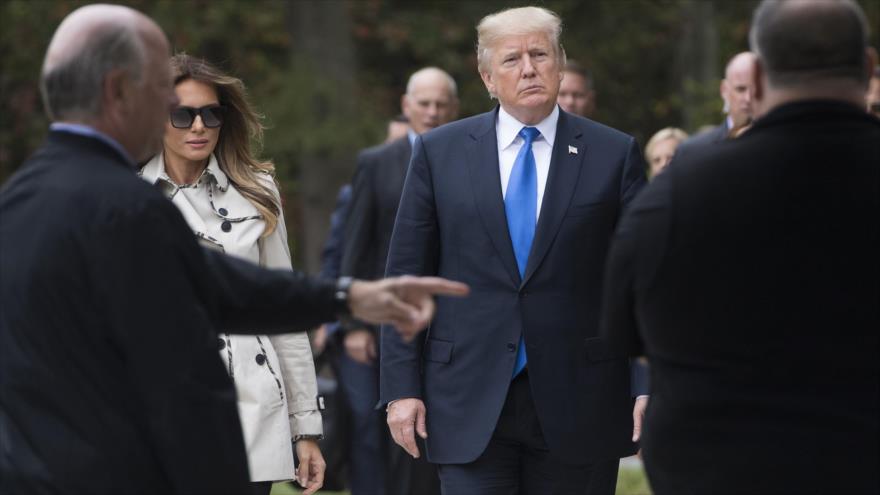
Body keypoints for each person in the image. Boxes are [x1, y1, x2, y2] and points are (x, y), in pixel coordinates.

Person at [0, 5, 468, 494]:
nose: (184, 117)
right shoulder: (121, 201)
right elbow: (212, 288)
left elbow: (220, 283)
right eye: (164, 96)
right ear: (119, 90)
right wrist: (346, 298)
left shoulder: (19, 201)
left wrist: (347, 300)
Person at [600, 0, 879, 493]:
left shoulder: (682, 188)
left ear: (756, 74)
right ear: (870, 66)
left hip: (722, 466)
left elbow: (622, 328)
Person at [379, 7, 648, 494]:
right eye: (512, 59)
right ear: (487, 77)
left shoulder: (613, 154)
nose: (528, 68)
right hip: (466, 398)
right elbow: (405, 278)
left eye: (540, 54)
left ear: (560, 63)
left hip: (580, 398)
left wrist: (647, 379)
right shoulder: (440, 153)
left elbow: (642, 283)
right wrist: (400, 388)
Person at [138, 53, 323, 495]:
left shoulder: (258, 191)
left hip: (251, 408)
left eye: (211, 113)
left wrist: (306, 428)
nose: (198, 126)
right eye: (181, 115)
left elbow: (285, 311)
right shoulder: (127, 192)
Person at [339, 66, 458, 495]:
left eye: (441, 104)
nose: (432, 111)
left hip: (448, 319)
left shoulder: (468, 158)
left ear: (454, 109)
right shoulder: (376, 163)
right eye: (424, 103)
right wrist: (353, 325)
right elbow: (356, 243)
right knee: (381, 430)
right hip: (383, 318)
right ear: (407, 106)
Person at [680, 51, 756, 149]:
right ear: (724, 90)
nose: (748, 98)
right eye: (740, 89)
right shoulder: (697, 148)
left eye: (756, 89)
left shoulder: (780, 144)